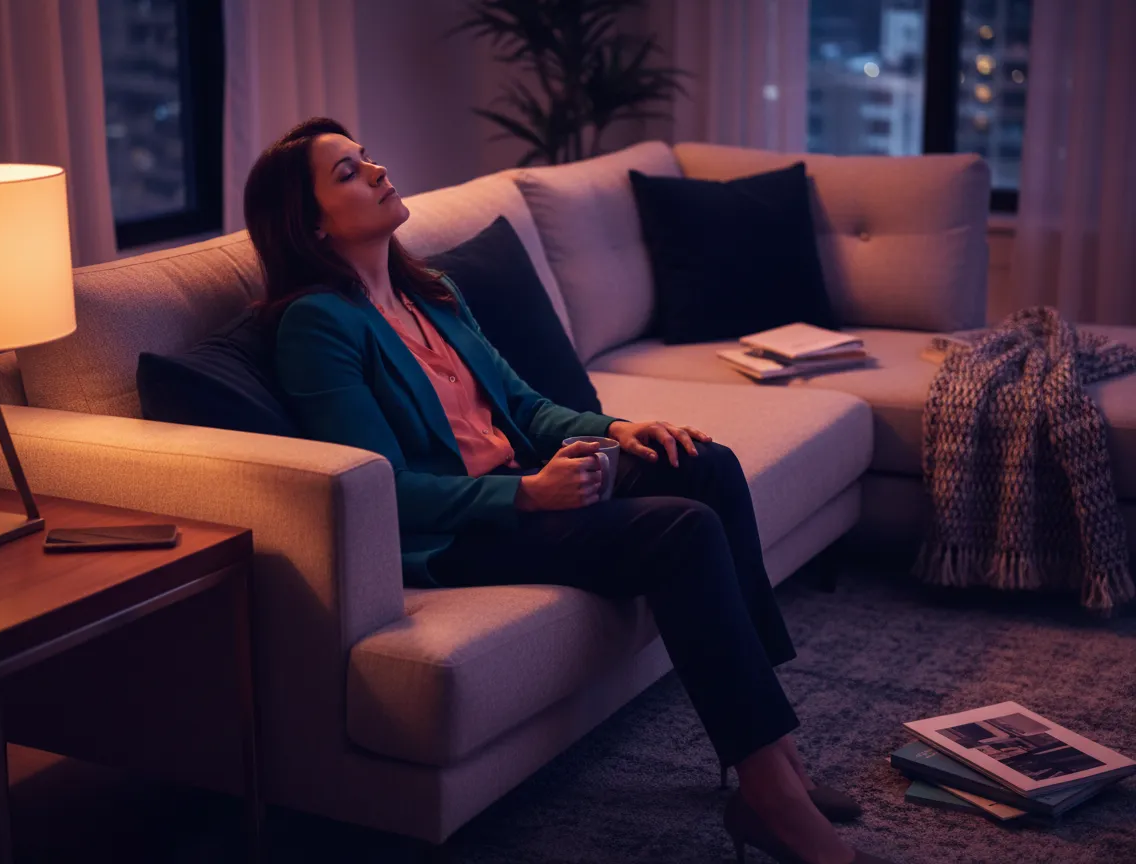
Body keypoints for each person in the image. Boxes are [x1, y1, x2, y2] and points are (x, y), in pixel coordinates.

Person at [243, 117, 892, 864]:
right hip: (456, 532)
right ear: (311, 225)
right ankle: (772, 799)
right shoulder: (316, 325)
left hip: (521, 483)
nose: (377, 170)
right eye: (347, 174)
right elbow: (377, 490)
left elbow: (523, 408)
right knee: (681, 530)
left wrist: (620, 429)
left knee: (702, 461)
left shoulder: (432, 293)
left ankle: (778, 758)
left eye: (365, 157)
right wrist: (528, 497)